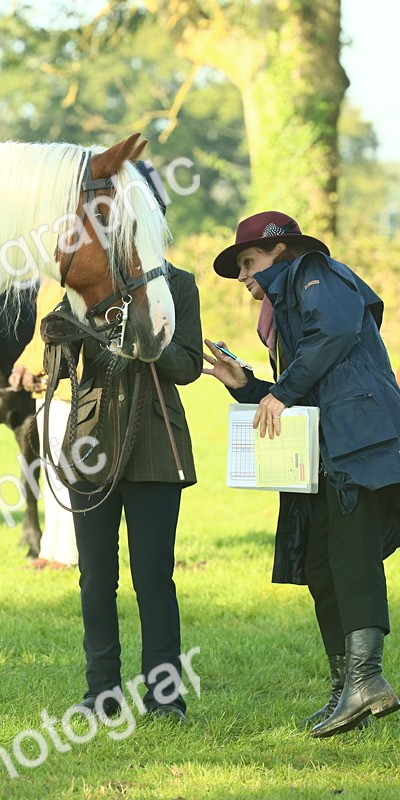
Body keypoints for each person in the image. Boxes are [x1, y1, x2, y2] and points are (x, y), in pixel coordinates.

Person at [204, 211, 400, 737]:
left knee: (350, 556)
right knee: (318, 562)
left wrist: (280, 391)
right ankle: (347, 691)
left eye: (249, 262)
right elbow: (298, 389)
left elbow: (334, 335)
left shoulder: (316, 272)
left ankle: (367, 680)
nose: (244, 275)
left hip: (361, 439)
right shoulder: (285, 307)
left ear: (280, 252)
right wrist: (245, 385)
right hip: (327, 448)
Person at [53, 162, 204, 722]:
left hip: (157, 447)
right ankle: (102, 690)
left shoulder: (181, 285)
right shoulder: (88, 281)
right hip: (91, 443)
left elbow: (188, 364)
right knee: (96, 579)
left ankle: (165, 693)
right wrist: (63, 336)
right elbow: (64, 363)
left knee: (153, 577)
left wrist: (145, 344)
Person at [9, 364, 78, 570]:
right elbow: (36, 342)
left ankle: (67, 554)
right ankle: (48, 550)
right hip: (46, 391)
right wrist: (21, 367)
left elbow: (56, 339)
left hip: (67, 392)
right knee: (51, 476)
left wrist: (30, 367)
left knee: (66, 477)